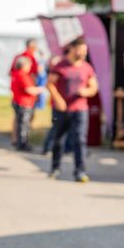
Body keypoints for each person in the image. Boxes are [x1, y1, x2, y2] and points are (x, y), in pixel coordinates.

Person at [46, 37, 98, 182]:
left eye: (85, 51)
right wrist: (58, 99)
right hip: (60, 110)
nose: (83, 54)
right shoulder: (60, 66)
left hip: (80, 109)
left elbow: (93, 87)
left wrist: (86, 92)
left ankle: (80, 171)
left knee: (80, 139)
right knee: (58, 139)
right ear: (73, 49)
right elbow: (50, 84)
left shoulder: (87, 67)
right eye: (81, 50)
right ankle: (55, 168)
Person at [10, 56, 44, 151]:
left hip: (18, 101)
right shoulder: (22, 75)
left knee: (20, 123)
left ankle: (20, 142)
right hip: (24, 103)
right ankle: (23, 143)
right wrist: (40, 89)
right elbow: (29, 89)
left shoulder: (16, 74)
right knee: (24, 124)